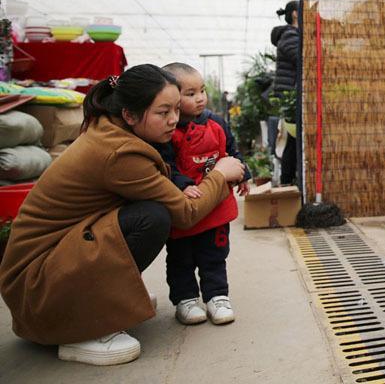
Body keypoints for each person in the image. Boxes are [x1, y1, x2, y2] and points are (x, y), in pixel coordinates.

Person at [0, 65, 245, 365]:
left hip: (41, 275)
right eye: (162, 112)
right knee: (153, 218)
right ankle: (82, 329)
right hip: (37, 289)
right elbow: (185, 213)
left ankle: (105, 300)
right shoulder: (121, 154)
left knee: (148, 212)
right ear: (129, 114)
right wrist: (220, 175)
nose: (174, 121)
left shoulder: (111, 129)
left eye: (176, 109)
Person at [156, 63, 251, 326]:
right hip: (184, 205)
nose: (200, 98)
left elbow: (231, 152)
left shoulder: (216, 122)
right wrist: (182, 183)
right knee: (180, 257)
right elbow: (164, 166)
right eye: (190, 93)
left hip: (216, 204)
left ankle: (217, 296)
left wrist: (244, 174)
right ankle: (185, 300)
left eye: (202, 90)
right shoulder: (166, 132)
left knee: (215, 254)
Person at [271, 0, 301, 186]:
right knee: (294, 140)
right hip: (291, 96)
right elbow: (304, 59)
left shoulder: (291, 35)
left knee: (293, 140)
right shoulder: (290, 36)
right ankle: (288, 181)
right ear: (296, 14)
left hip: (291, 95)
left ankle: (287, 181)